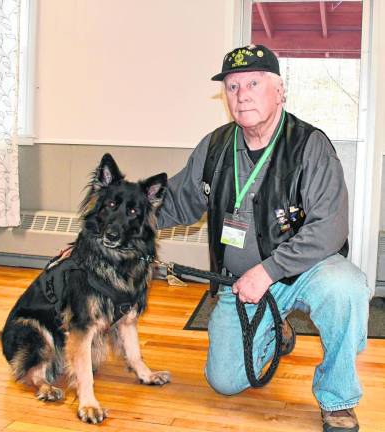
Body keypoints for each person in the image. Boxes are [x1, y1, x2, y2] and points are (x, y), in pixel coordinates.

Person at [157, 44, 372, 432]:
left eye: (253, 83)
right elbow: (176, 202)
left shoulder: (310, 145)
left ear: (280, 90)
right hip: (240, 284)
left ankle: (338, 398)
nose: (242, 95)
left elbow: (330, 226)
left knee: (347, 288)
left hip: (304, 271)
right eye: (233, 86)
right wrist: (117, 221)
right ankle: (277, 329)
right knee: (224, 381)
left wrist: (269, 271)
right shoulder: (215, 147)